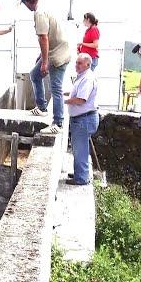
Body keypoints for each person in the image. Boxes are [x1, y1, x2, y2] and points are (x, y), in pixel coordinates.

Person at [19, 0, 71, 134]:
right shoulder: (42, 9)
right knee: (34, 75)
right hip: (56, 50)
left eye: (24, 3)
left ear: (28, 2)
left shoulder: (39, 13)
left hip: (58, 55)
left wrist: (44, 61)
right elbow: (47, 36)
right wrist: (42, 56)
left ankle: (58, 123)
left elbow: (44, 38)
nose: (25, 6)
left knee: (56, 88)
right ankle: (42, 107)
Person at [64, 53, 99, 185]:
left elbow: (81, 99)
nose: (76, 65)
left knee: (80, 150)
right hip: (83, 119)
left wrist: (65, 101)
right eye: (76, 62)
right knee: (79, 149)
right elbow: (77, 93)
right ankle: (80, 172)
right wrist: (65, 94)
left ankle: (81, 178)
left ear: (88, 65)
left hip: (83, 119)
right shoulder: (83, 77)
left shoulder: (87, 78)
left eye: (79, 63)